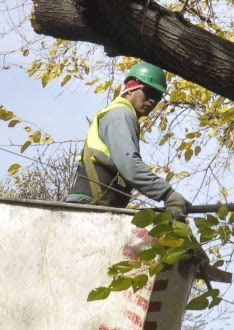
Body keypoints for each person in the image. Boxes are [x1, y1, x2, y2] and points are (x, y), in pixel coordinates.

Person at [66, 61, 189, 220]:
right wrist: (167, 194)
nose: (153, 100)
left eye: (158, 96)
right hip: (89, 207)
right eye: (149, 92)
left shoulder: (118, 114)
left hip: (95, 207)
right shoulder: (121, 114)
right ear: (131, 86)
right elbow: (130, 165)